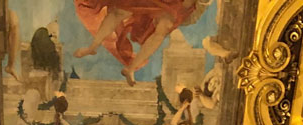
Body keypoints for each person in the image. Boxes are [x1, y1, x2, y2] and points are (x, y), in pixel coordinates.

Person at [73, 0, 212, 86]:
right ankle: (92, 47)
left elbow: (191, 5)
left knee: (164, 26)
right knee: (120, 11)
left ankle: (131, 68)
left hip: (174, 4)